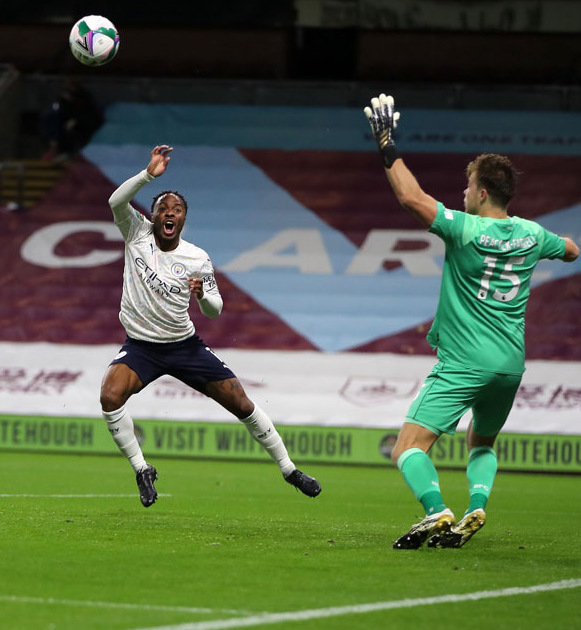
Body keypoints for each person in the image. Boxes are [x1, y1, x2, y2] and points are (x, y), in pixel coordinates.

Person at [363, 94, 579, 549]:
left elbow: (410, 196)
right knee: (480, 444)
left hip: (464, 362)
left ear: (481, 193)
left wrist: (385, 143)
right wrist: (562, 244)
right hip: (509, 364)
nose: (462, 194)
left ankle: (436, 510)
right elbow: (571, 250)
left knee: (408, 448)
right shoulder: (533, 234)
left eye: (467, 188)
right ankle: (476, 504)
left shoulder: (463, 227)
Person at [100, 144, 322, 507]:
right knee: (110, 396)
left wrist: (202, 294)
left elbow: (216, 310)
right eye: (164, 209)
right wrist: (147, 176)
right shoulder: (136, 232)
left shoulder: (196, 257)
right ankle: (142, 469)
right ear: (153, 216)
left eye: (178, 210)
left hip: (184, 346)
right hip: (141, 346)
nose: (170, 213)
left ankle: (289, 469)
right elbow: (114, 201)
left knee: (241, 402)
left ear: (184, 219)